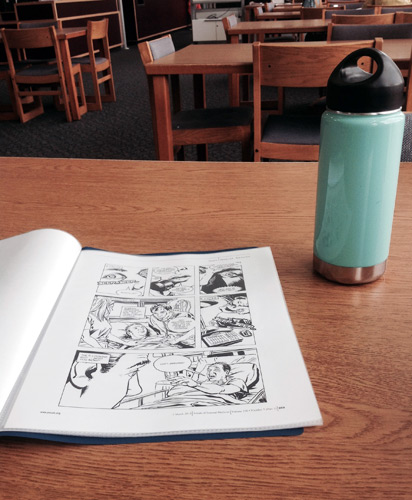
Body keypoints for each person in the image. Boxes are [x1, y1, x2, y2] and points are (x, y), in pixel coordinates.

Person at [171, 362, 248, 399]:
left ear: (226, 372)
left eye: (216, 369)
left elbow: (222, 390)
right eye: (209, 370)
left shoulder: (237, 381)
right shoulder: (205, 383)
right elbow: (172, 393)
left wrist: (196, 385)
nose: (210, 372)